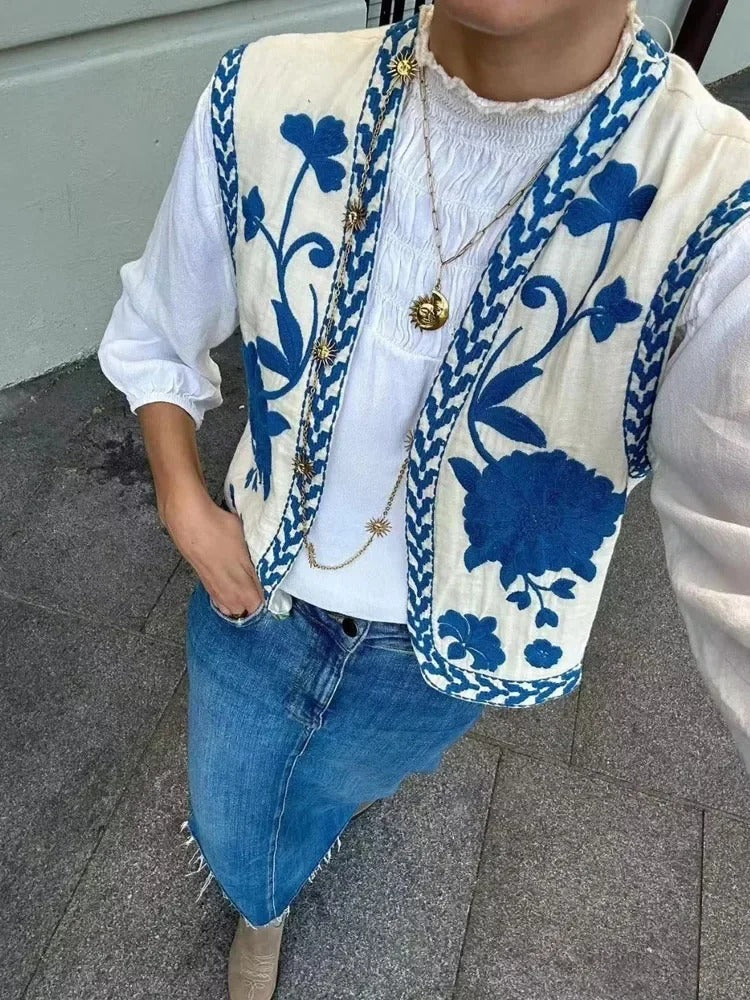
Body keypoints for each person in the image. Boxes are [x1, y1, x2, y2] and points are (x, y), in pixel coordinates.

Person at [98, 1, 750, 996]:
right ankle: (261, 901)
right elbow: (156, 330)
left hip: (449, 653)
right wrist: (184, 504)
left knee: (341, 785)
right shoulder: (269, 95)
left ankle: (292, 858)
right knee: (234, 817)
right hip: (253, 593)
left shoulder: (716, 211)